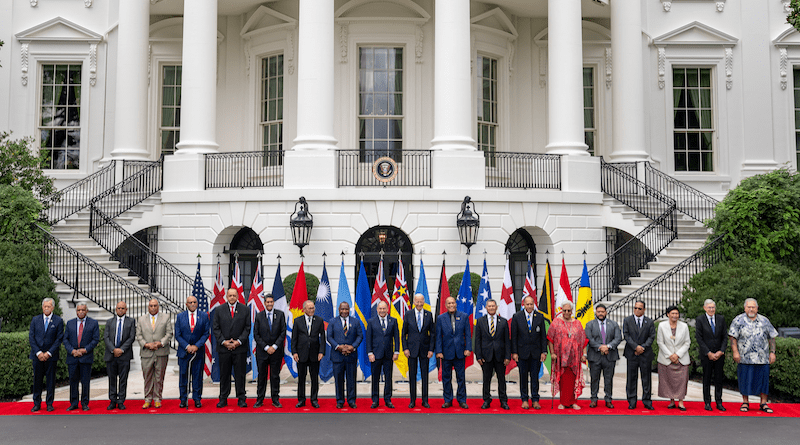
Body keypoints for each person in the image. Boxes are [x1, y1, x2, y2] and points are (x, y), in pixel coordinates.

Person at [729, 298, 778, 414]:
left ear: (757, 308)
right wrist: (735, 352)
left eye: (753, 307)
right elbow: (732, 337)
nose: (751, 309)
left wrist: (773, 352)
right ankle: (745, 402)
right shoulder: (738, 320)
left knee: (763, 381)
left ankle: (763, 403)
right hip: (745, 358)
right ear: (745, 308)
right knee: (744, 379)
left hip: (762, 358)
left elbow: (772, 337)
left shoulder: (764, 321)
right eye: (749, 307)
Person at [212, 288, 251, 408]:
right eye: (230, 295)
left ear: (238, 296)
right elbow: (216, 328)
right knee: (224, 374)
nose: (232, 297)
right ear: (226, 297)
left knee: (240, 375)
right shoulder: (219, 310)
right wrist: (224, 342)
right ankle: (223, 398)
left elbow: (247, 328)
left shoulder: (245, 309)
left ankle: (241, 398)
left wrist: (238, 342)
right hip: (224, 349)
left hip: (240, 348)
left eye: (234, 295)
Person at [547, 301, 587, 410]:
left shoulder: (578, 323)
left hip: (575, 358)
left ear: (572, 311)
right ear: (561, 310)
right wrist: (552, 353)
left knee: (574, 380)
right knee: (563, 380)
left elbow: (583, 340)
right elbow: (550, 338)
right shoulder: (556, 322)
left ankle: (573, 402)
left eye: (569, 310)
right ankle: (563, 402)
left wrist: (584, 354)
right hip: (561, 357)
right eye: (564, 310)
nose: (567, 312)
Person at [510, 295, 548, 409]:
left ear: (533, 304)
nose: (530, 306)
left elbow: (543, 336)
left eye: (531, 304)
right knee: (523, 377)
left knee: (535, 377)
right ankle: (524, 399)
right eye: (527, 304)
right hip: (522, 353)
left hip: (536, 353)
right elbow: (514, 336)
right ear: (524, 304)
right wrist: (514, 352)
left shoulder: (539, 317)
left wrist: (544, 352)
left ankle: (535, 399)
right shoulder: (517, 317)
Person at [435, 296, 472, 409]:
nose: (451, 305)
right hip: (446, 353)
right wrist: (439, 351)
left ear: (456, 304)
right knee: (446, 378)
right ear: (446, 306)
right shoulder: (441, 318)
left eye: (453, 303)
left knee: (461, 378)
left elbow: (468, 335)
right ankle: (448, 400)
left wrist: (468, 348)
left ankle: (461, 400)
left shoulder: (464, 316)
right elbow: (438, 337)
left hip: (460, 352)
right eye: (449, 303)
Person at [136, 299, 174, 409]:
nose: (153, 308)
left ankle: (157, 398)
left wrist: (161, 343)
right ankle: (147, 399)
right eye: (151, 306)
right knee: (147, 377)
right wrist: (146, 344)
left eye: (155, 306)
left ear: (158, 306)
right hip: (146, 353)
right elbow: (138, 335)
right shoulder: (141, 319)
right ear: (148, 307)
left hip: (161, 352)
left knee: (159, 377)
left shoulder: (165, 318)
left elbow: (169, 333)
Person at [474, 299, 511, 410]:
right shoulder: (480, 321)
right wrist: (479, 356)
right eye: (489, 306)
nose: (491, 308)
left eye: (493, 306)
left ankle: (503, 400)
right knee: (486, 379)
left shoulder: (503, 322)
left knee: (501, 379)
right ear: (486, 308)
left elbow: (507, 341)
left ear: (496, 307)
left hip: (500, 356)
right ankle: (486, 400)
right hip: (486, 356)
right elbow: (478, 340)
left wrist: (507, 356)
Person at [29, 298, 63, 412]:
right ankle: (36, 403)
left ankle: (49, 403)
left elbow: (59, 339)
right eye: (45, 306)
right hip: (37, 356)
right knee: (37, 381)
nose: (46, 308)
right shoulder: (35, 320)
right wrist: (38, 353)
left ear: (53, 307)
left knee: (50, 381)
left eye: (49, 306)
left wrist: (48, 353)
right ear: (42, 307)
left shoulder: (58, 321)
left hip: (51, 356)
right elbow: (31, 338)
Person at [175, 295, 210, 409]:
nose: (192, 304)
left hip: (198, 352)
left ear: (197, 303)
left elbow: (206, 333)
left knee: (197, 376)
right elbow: (178, 334)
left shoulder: (204, 316)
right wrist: (187, 346)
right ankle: (183, 399)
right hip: (184, 352)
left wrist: (196, 346)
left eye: (194, 302)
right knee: (183, 376)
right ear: (186, 304)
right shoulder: (180, 317)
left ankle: (197, 399)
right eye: (190, 302)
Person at [584, 303, 621, 408]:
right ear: (596, 312)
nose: (600, 314)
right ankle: (594, 399)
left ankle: (608, 399)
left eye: (602, 312)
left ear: (606, 312)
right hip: (595, 357)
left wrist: (608, 346)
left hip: (610, 356)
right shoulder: (590, 324)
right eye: (598, 312)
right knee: (594, 379)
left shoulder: (613, 324)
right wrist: (600, 347)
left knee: (608, 379)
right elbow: (589, 339)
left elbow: (618, 338)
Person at [402, 293, 435, 408]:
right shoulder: (408, 314)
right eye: (417, 301)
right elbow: (403, 334)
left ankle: (425, 400)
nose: (419, 304)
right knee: (412, 375)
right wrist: (405, 348)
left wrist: (431, 349)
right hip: (411, 351)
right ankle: (412, 400)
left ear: (424, 301)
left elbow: (433, 334)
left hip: (425, 351)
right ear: (414, 302)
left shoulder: (429, 315)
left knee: (425, 376)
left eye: (421, 301)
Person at [63, 303, 99, 411]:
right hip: (72, 357)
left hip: (86, 357)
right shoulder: (70, 323)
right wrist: (72, 351)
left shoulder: (93, 323)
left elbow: (95, 339)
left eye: (83, 310)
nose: (81, 312)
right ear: (76, 311)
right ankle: (74, 403)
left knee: (85, 381)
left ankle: (84, 403)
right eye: (79, 310)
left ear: (87, 311)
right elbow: (65, 339)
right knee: (73, 381)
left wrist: (85, 350)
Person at [253, 293, 286, 408]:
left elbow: (283, 333)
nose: (270, 304)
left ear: (273, 303)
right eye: (268, 302)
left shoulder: (280, 315)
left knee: (275, 376)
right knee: (262, 376)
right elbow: (256, 335)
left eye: (271, 302)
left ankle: (275, 399)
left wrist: (274, 347)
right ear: (264, 303)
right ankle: (260, 399)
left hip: (276, 352)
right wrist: (267, 347)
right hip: (262, 352)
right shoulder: (259, 316)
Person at [327, 301, 362, 409]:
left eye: (346, 309)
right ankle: (340, 401)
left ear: (349, 309)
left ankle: (351, 400)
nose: (344, 311)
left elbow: (360, 336)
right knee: (339, 380)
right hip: (337, 356)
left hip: (351, 356)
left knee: (351, 379)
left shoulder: (355, 322)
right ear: (339, 310)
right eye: (342, 309)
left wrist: (353, 347)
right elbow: (329, 337)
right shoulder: (332, 321)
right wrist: (339, 347)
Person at [291, 300, 325, 408]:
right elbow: (294, 339)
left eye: (313, 308)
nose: (312, 310)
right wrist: (294, 352)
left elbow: (323, 338)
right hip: (301, 354)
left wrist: (321, 352)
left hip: (315, 354)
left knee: (314, 378)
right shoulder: (297, 321)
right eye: (310, 308)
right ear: (304, 309)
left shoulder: (319, 320)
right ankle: (301, 400)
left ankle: (314, 399)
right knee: (301, 378)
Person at [695, 298, 727, 411]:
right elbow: (699, 338)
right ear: (705, 308)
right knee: (707, 379)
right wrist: (708, 352)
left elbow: (724, 337)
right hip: (706, 355)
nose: (711, 309)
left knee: (719, 379)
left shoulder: (721, 319)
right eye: (709, 307)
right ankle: (707, 402)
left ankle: (719, 402)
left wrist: (721, 351)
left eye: (713, 307)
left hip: (719, 355)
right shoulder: (700, 319)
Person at [623, 299, 655, 410]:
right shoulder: (627, 320)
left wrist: (643, 347)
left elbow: (651, 337)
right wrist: (635, 347)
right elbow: (626, 335)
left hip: (645, 354)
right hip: (632, 353)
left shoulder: (649, 322)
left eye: (639, 308)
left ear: (644, 310)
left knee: (646, 378)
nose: (637, 310)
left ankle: (647, 401)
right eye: (635, 308)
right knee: (631, 378)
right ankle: (632, 401)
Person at [366, 301, 399, 409]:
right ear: (377, 310)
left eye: (384, 308)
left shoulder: (393, 321)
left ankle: (388, 399)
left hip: (389, 355)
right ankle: (375, 400)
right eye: (380, 309)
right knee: (375, 378)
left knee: (388, 378)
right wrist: (370, 353)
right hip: (375, 355)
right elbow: (369, 339)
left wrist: (397, 351)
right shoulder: (371, 322)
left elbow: (396, 338)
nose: (382, 311)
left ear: (387, 309)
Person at [656, 306, 691, 411]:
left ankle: (681, 401)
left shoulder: (684, 326)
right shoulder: (662, 326)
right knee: (668, 380)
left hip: (682, 358)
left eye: (676, 313)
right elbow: (660, 342)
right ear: (668, 314)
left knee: (682, 380)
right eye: (672, 313)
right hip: (666, 358)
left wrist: (677, 355)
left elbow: (687, 342)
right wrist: (670, 355)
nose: (675, 315)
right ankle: (671, 400)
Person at [104, 300, 135, 410]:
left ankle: (121, 400)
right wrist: (113, 349)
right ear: (115, 309)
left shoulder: (131, 321)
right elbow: (106, 337)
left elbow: (131, 337)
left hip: (124, 355)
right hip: (111, 355)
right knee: (112, 379)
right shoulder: (109, 322)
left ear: (126, 310)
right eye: (118, 308)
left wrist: (121, 349)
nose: (120, 310)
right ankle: (112, 401)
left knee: (123, 379)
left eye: (123, 308)